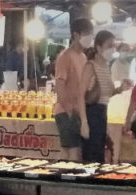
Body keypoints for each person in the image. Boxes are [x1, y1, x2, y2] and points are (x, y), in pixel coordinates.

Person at [54, 17, 94, 161]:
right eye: (87, 33)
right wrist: (70, 111)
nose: (90, 37)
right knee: (71, 151)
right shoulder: (65, 56)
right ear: (76, 35)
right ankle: (65, 179)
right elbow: (60, 86)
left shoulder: (83, 57)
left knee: (76, 152)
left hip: (79, 112)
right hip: (66, 112)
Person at [82, 31, 116, 163]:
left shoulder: (107, 67)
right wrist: (84, 123)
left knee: (99, 154)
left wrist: (120, 89)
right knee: (91, 155)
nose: (112, 49)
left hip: (102, 113)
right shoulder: (90, 66)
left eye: (114, 45)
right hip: (92, 113)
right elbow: (81, 95)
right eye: (109, 45)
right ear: (99, 47)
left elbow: (107, 93)